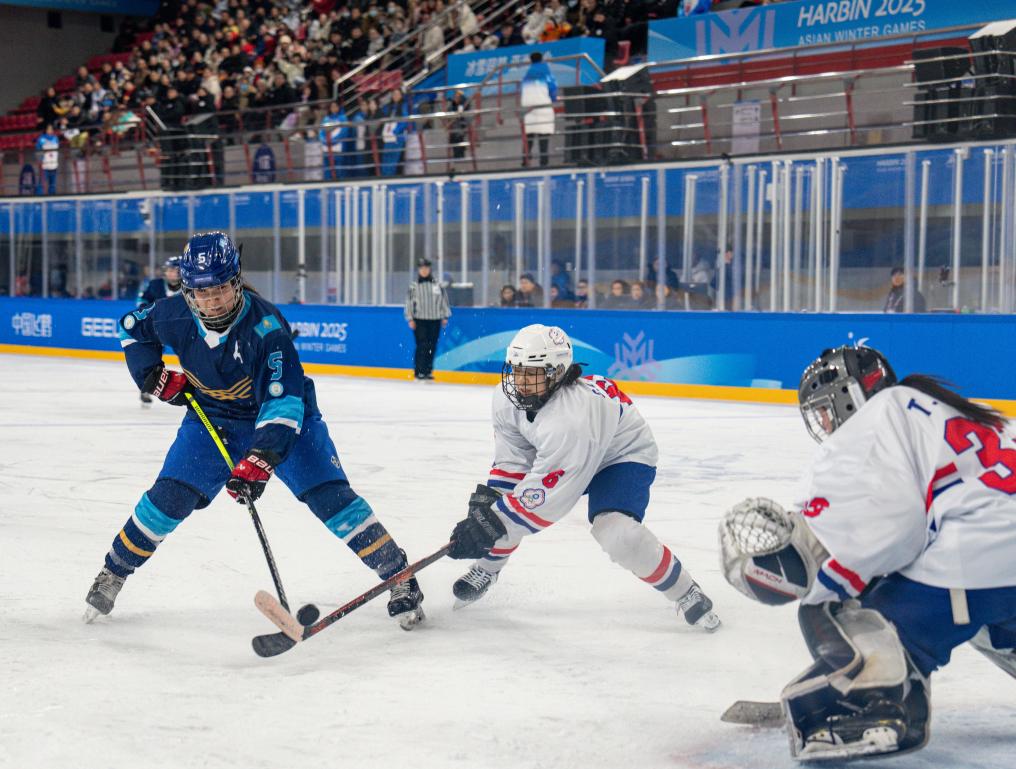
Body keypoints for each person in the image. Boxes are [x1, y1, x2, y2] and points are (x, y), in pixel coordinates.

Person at [84, 232, 424, 630]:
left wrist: (261, 459)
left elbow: (284, 405)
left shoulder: (266, 329)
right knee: (168, 497)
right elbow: (130, 327)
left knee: (331, 499)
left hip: (285, 420)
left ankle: (400, 576)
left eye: (220, 290)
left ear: (237, 281)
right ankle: (113, 572)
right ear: (188, 291)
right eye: (201, 293)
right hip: (213, 419)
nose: (212, 301)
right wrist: (153, 376)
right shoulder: (173, 313)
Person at [719, 345, 1016, 761]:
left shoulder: (876, 419)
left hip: (983, 551)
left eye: (824, 412)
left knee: (836, 603)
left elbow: (893, 526)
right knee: (979, 607)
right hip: (997, 554)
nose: (825, 425)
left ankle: (871, 700)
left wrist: (819, 576)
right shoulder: (960, 411)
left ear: (848, 396)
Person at [444, 324, 721, 632]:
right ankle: (489, 568)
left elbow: (545, 500)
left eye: (531, 373)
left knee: (617, 534)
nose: (519, 382)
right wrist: (489, 511)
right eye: (516, 370)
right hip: (572, 452)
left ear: (556, 373)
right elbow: (512, 461)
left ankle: (685, 590)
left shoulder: (569, 421)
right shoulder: (505, 398)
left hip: (619, 456)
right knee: (498, 509)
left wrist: (491, 523)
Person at [135, 255, 184, 406]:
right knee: (150, 358)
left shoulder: (189, 286)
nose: (170, 273)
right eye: (168, 270)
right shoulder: (156, 285)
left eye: (174, 270)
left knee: (189, 357)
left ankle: (198, 384)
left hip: (181, 330)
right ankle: (146, 388)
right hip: (157, 328)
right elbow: (142, 302)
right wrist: (148, 314)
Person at [404, 257, 451, 380]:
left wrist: (445, 316)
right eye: (422, 268)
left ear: (430, 269)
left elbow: (444, 301)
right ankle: (419, 370)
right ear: (418, 270)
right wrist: (410, 318)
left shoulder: (437, 285)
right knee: (422, 345)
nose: (424, 270)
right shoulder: (414, 286)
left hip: (435, 320)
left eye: (426, 268)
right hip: (420, 320)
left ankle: (428, 371)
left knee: (432, 345)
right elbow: (409, 303)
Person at [520, 51, 557, 168]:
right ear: (542, 59)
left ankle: (525, 161)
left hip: (528, 107)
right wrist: (553, 98)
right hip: (542, 105)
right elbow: (552, 87)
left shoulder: (527, 74)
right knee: (543, 136)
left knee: (529, 136)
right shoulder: (546, 71)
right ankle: (544, 163)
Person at [35, 124, 60, 195]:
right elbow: (38, 150)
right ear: (45, 130)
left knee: (52, 183)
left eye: (51, 129)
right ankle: (39, 197)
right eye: (48, 129)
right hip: (45, 165)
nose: (50, 130)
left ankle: (52, 196)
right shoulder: (41, 139)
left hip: (54, 164)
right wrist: (40, 161)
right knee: (42, 182)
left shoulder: (55, 138)